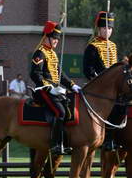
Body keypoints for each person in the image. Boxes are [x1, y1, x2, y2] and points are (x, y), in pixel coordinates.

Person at [30, 21, 81, 155]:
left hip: (55, 91)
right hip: (43, 90)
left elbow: (60, 74)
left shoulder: (52, 54)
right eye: (54, 38)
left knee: (69, 111)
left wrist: (72, 85)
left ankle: (65, 141)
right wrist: (49, 87)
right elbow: (35, 74)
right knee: (61, 112)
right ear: (46, 37)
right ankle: (55, 144)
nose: (56, 41)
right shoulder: (39, 53)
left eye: (57, 39)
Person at [83, 11, 121, 151]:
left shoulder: (113, 46)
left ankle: (116, 136)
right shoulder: (92, 47)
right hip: (98, 88)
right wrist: (101, 80)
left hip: (114, 88)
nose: (107, 31)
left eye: (110, 28)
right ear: (99, 29)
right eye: (105, 28)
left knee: (122, 105)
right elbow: (88, 70)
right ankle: (106, 139)